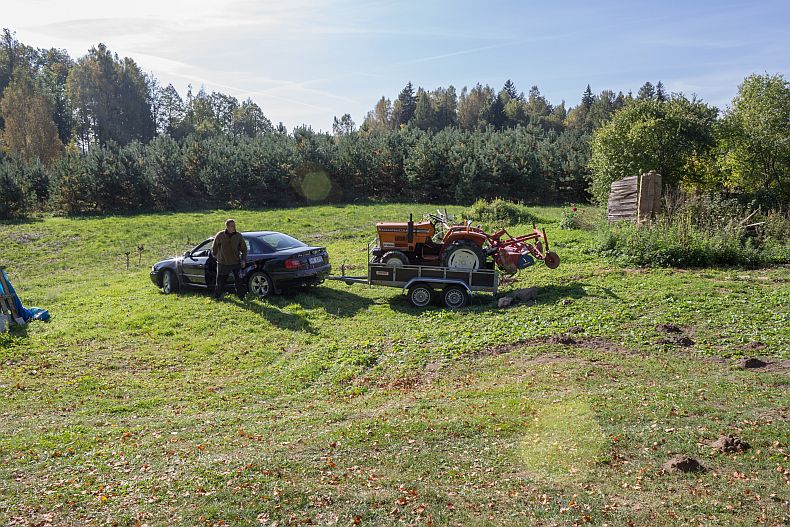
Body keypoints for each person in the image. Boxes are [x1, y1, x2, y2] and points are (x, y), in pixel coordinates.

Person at [211, 219, 248, 300]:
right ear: (227, 227)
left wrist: (243, 260)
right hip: (223, 263)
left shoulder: (238, 236)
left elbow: (244, 249)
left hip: (235, 262)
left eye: (234, 226)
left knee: (239, 281)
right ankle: (217, 297)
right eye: (232, 226)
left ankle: (241, 297)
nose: (234, 227)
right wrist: (218, 257)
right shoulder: (220, 235)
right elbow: (214, 249)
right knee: (220, 282)